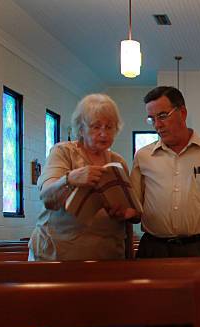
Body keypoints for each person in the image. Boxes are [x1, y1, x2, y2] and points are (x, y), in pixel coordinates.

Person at [130, 86, 200, 257]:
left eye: (162, 116)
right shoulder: (143, 156)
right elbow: (134, 207)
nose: (157, 125)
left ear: (182, 113)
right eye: (151, 119)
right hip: (155, 249)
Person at [28, 94, 137, 261]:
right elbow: (46, 196)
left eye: (109, 127)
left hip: (108, 256)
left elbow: (128, 207)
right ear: (80, 129)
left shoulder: (118, 161)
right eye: (96, 127)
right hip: (58, 256)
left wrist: (123, 212)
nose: (103, 134)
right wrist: (69, 179)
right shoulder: (63, 152)